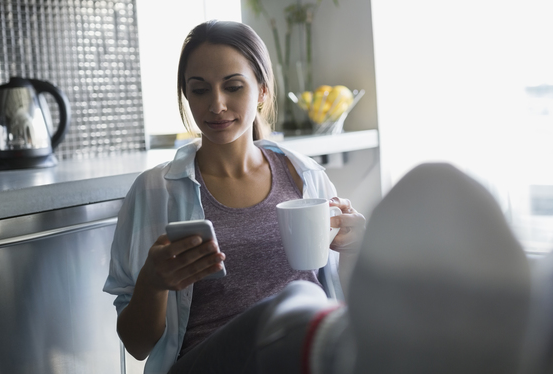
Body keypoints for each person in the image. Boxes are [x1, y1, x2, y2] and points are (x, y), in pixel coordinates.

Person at [103, 19, 366, 374]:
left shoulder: (306, 177)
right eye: (199, 90)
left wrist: (354, 249)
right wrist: (153, 281)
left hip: (299, 359)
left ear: (261, 90)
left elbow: (343, 295)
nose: (216, 105)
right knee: (301, 300)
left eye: (233, 87)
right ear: (186, 94)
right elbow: (136, 346)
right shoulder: (154, 191)